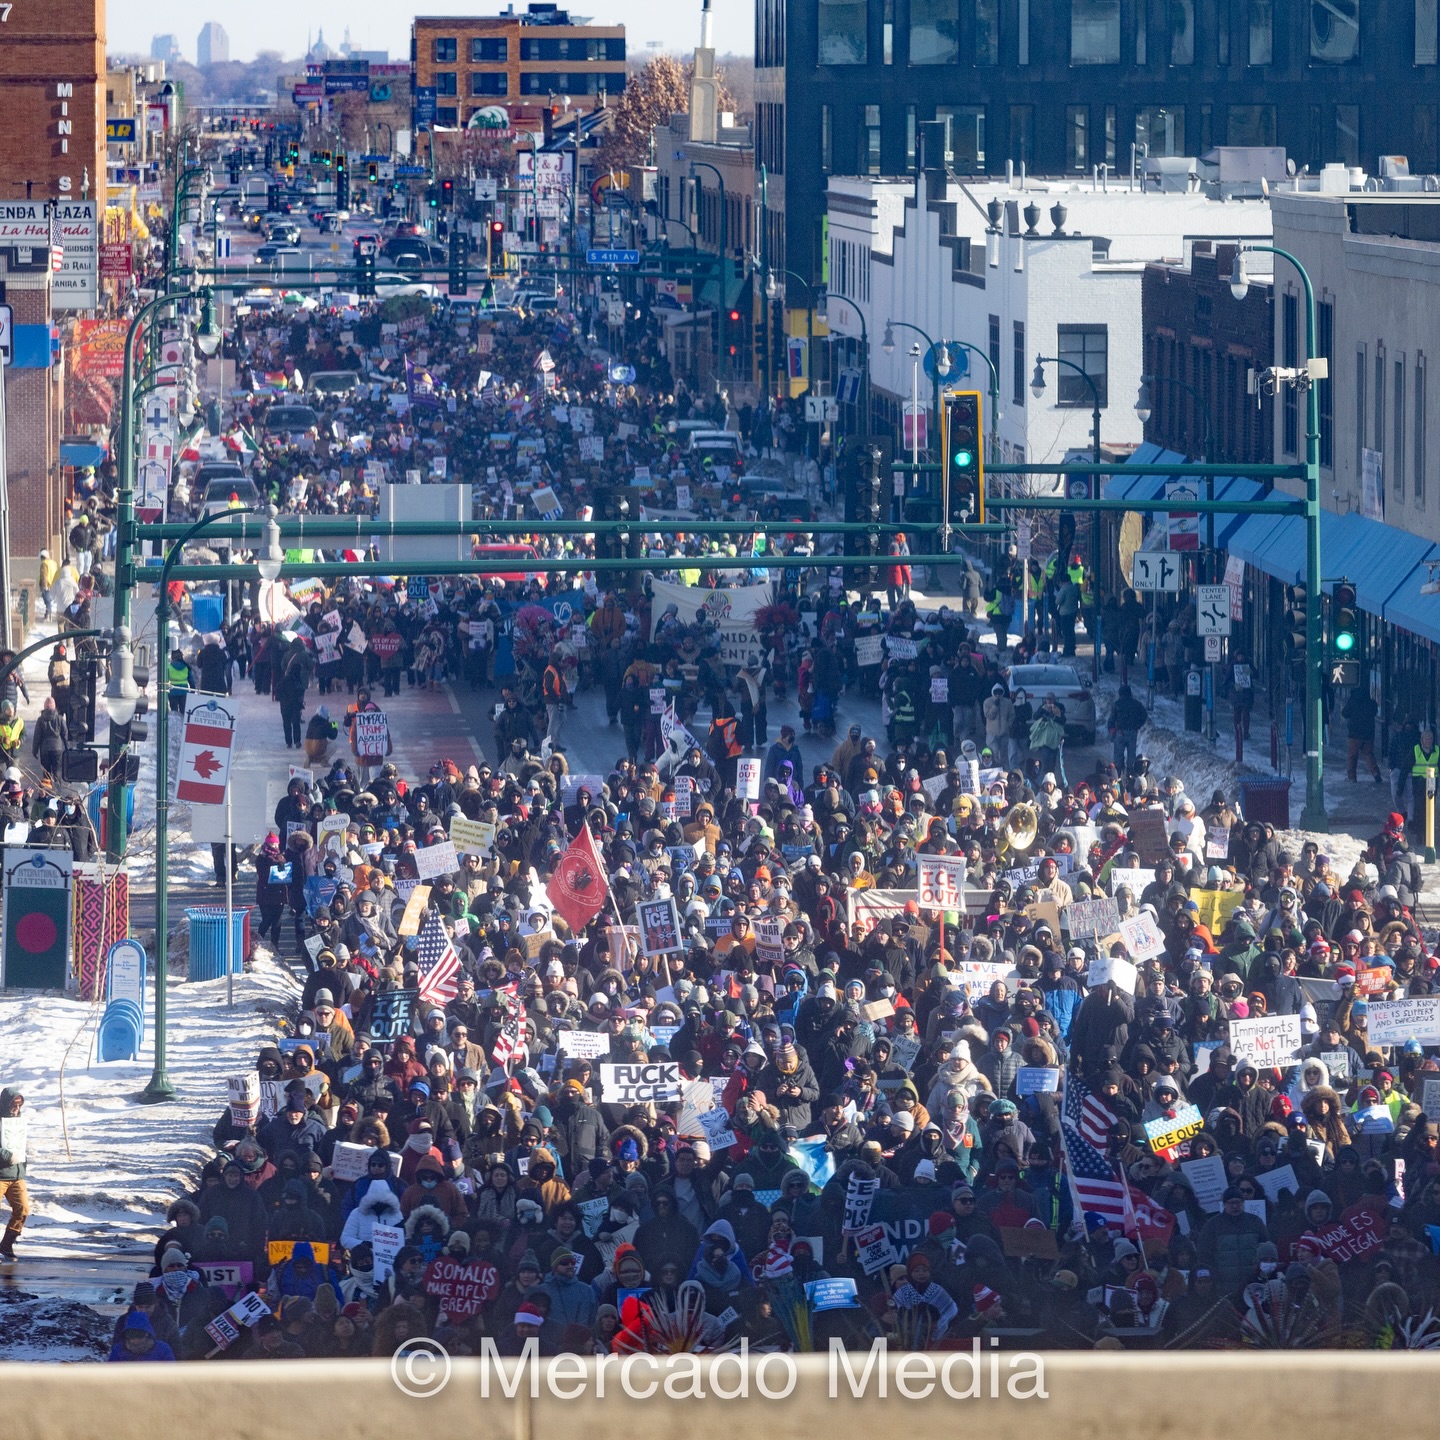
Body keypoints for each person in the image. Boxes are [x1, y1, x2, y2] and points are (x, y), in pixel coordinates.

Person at [0, 1088, 29, 1260]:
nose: (16, 1108)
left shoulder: (19, 1123)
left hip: (17, 1175)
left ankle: (6, 1244)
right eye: (13, 1104)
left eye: (19, 1105)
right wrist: (6, 1156)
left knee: (23, 1209)